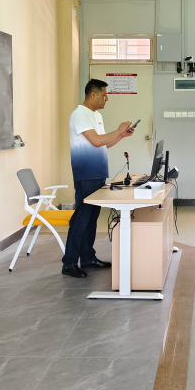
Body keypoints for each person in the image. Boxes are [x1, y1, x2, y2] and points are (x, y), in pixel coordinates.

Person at [63, 78, 135, 278]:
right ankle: (69, 263)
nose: (107, 99)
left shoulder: (96, 115)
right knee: (81, 219)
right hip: (86, 174)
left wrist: (121, 135)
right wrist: (118, 129)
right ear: (93, 94)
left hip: (98, 173)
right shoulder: (79, 114)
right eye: (104, 95)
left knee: (91, 219)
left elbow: (104, 143)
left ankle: (88, 258)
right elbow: (96, 141)